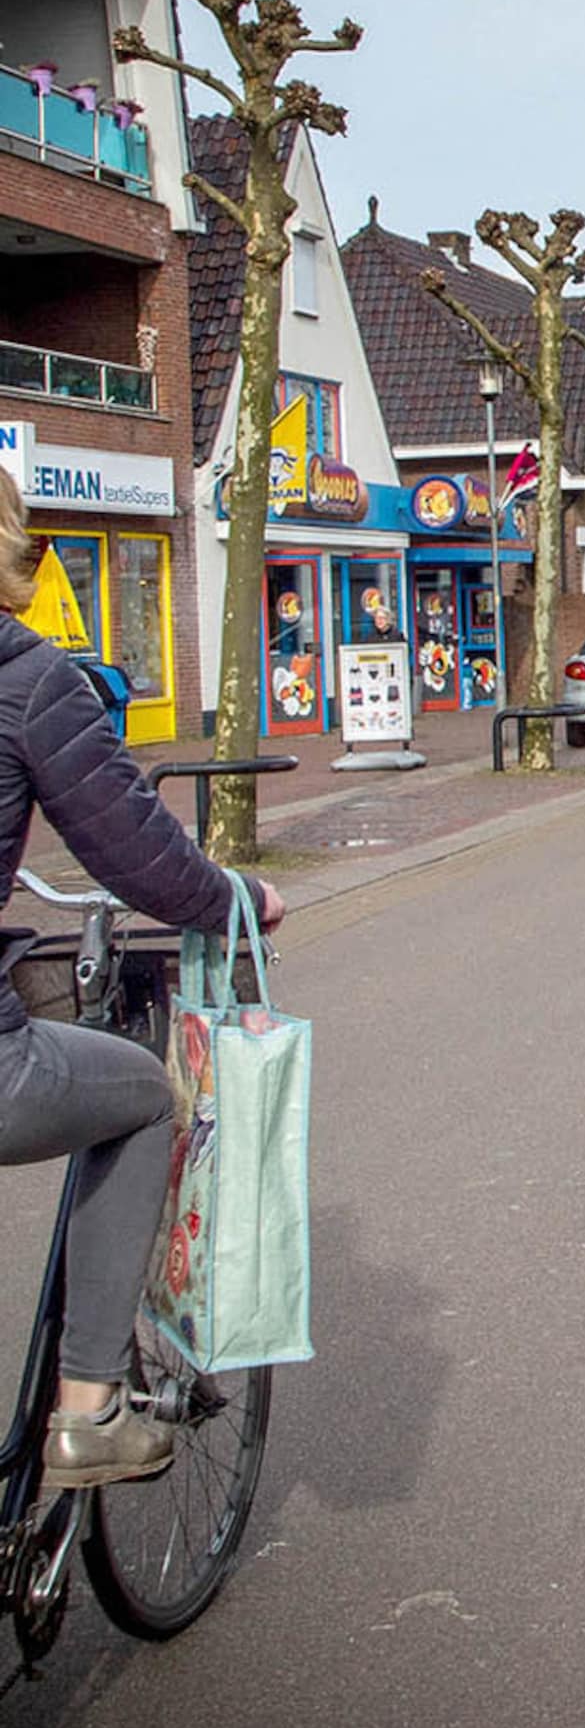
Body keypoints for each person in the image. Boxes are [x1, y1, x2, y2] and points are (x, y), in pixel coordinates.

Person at [0, 470, 284, 1488]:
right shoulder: (27, 677)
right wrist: (236, 894)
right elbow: (136, 858)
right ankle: (88, 1407)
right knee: (141, 1097)